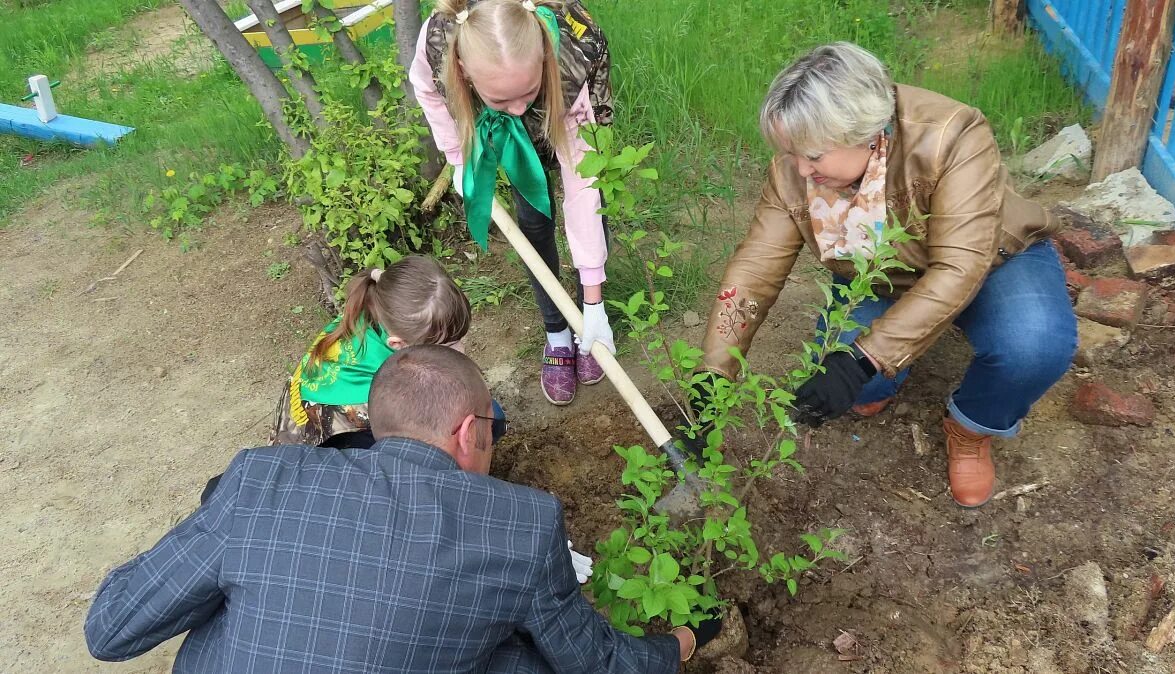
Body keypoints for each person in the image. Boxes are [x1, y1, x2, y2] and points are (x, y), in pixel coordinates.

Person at [85, 346, 721, 672]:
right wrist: (686, 641)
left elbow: (111, 630)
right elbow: (594, 664)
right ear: (469, 431)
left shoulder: (261, 478)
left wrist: (234, 541)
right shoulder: (521, 525)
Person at [697, 43, 1077, 508]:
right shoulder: (795, 169)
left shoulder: (951, 134)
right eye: (790, 152)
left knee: (1033, 346)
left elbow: (960, 265)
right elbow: (756, 267)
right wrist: (714, 373)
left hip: (994, 258)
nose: (800, 169)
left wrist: (863, 359)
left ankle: (973, 424)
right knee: (852, 381)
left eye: (813, 155)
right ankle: (887, 372)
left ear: (865, 132)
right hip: (883, 276)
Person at [410, 0, 617, 406]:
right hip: (508, 134)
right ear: (465, 73)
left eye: (526, 93)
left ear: (542, 56)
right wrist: (456, 156)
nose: (519, 109)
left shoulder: (578, 58)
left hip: (565, 108)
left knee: (592, 204)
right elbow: (425, 90)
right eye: (503, 100)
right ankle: (557, 333)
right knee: (533, 218)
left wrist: (593, 302)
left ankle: (588, 320)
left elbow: (584, 185)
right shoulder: (442, 40)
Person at [270, 255, 477, 446]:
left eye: (460, 339)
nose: (462, 351)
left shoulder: (375, 316)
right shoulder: (382, 396)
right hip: (330, 453)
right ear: (397, 344)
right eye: (447, 347)